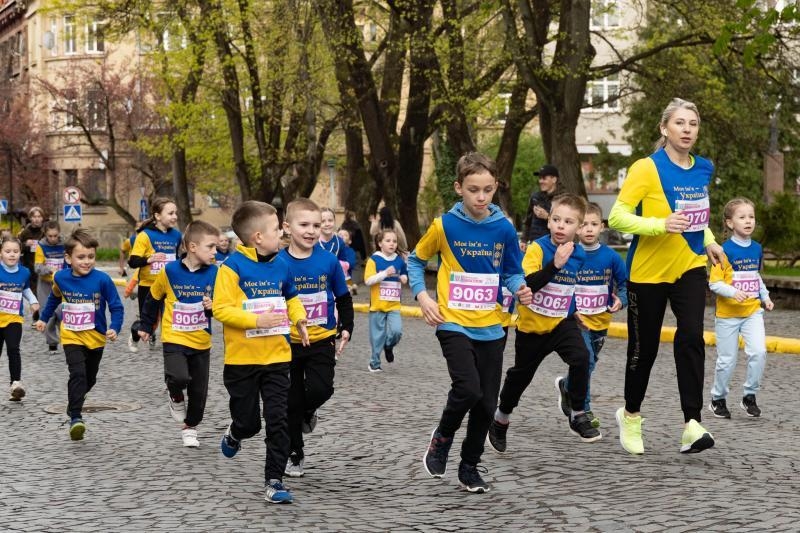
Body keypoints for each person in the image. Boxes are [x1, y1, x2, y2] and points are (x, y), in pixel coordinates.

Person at [608, 97, 726, 455]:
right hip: (647, 272)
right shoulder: (645, 168)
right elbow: (617, 217)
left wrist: (710, 241)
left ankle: (692, 423)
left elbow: (698, 217)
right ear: (664, 128)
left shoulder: (703, 168)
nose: (687, 129)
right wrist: (659, 224)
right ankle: (630, 415)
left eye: (693, 123)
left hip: (689, 265)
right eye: (680, 123)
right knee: (643, 350)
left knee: (691, 338)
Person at [409, 152, 531, 494]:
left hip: (492, 325)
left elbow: (511, 271)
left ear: (496, 188)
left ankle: (469, 466)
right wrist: (423, 297)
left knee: (487, 404)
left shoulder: (503, 228)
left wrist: (519, 287)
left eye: (488, 190)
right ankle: (442, 437)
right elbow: (416, 261)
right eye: (474, 190)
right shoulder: (443, 226)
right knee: (467, 388)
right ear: (458, 188)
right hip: (453, 321)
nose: (481, 197)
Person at [489, 193, 602, 455]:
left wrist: (574, 312)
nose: (561, 226)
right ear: (548, 221)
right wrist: (555, 264)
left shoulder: (578, 254)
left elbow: (568, 288)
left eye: (569, 222)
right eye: (556, 219)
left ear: (579, 227)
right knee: (521, 376)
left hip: (560, 323)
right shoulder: (537, 249)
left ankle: (578, 413)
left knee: (582, 358)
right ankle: (501, 418)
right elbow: (527, 285)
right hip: (532, 328)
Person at [213, 200, 309, 504]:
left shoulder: (282, 264)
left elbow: (291, 297)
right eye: (276, 229)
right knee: (250, 423)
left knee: (278, 420)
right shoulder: (231, 268)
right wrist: (256, 320)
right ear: (257, 237)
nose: (282, 233)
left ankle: (274, 480)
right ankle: (235, 432)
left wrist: (299, 319)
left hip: (278, 357)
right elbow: (221, 309)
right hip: (242, 361)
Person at [279, 198, 354, 478]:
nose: (311, 231)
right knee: (291, 400)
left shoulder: (328, 261)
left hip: (322, 338)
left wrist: (347, 326)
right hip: (287, 342)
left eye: (316, 225)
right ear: (287, 227)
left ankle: (308, 410)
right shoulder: (278, 262)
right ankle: (294, 453)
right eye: (304, 225)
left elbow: (343, 297)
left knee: (322, 389)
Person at [137, 221, 219, 447]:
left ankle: (190, 427)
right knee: (178, 377)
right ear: (192, 247)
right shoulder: (170, 271)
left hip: (201, 341)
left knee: (199, 392)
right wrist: (146, 325)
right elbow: (153, 298)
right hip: (174, 337)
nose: (215, 252)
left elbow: (222, 304)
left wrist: (212, 306)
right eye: (210, 247)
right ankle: (175, 395)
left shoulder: (216, 273)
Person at [36, 229, 124, 440]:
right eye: (81, 257)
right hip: (72, 336)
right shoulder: (60, 277)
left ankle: (74, 401)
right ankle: (76, 417)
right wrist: (43, 318)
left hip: (96, 338)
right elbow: (54, 298)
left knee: (89, 379)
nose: (87, 261)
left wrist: (115, 327)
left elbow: (116, 307)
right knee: (77, 374)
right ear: (68, 258)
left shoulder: (102, 280)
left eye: (91, 257)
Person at [556, 202, 627, 429]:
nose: (588, 229)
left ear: (602, 227)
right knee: (585, 359)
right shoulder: (568, 254)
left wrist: (621, 300)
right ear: (577, 227)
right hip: (577, 322)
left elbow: (625, 284)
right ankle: (583, 410)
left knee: (590, 363)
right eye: (584, 224)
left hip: (601, 321)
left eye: (594, 224)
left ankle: (567, 386)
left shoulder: (611, 257)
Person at [708, 198, 774, 419]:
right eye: (742, 217)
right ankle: (717, 399)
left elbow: (755, 276)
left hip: (752, 312)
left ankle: (749, 396)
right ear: (729, 223)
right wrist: (732, 292)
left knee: (759, 352)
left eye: (751, 217)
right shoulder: (723, 250)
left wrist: (765, 296)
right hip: (727, 316)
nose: (748, 221)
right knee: (727, 360)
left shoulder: (756, 248)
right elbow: (714, 283)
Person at [127, 198, 182, 353]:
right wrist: (149, 259)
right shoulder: (145, 235)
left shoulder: (177, 235)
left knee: (170, 318)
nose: (175, 216)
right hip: (148, 286)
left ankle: (172, 347)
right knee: (147, 322)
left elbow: (177, 258)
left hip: (169, 285)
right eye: (170, 213)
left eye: (176, 213)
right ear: (157, 216)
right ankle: (135, 334)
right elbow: (132, 262)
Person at [0, 236, 39, 401]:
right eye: (8, 251)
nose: (12, 254)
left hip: (14, 318)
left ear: (20, 253)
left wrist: (33, 301)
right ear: (1, 253)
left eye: (15, 251)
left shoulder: (24, 272)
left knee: (13, 349)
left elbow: (26, 289)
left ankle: (15, 384)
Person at [364, 229, 408, 372]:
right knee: (377, 337)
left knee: (396, 331)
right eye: (388, 241)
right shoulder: (374, 260)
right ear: (380, 243)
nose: (392, 244)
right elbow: (368, 280)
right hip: (377, 305)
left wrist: (404, 278)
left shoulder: (399, 260)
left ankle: (388, 346)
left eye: (394, 241)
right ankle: (374, 363)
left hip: (394, 304)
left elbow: (404, 273)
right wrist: (384, 274)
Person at [33, 221, 66, 354]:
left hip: (61, 283)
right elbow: (37, 267)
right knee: (48, 313)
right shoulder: (41, 246)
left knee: (62, 312)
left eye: (55, 236)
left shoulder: (65, 245)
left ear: (59, 233)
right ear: (45, 234)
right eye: (50, 236)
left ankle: (68, 340)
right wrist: (49, 269)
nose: (53, 239)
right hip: (45, 284)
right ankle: (52, 343)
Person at [17, 206, 45, 322]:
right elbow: (16, 248)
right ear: (30, 218)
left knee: (43, 292)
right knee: (34, 292)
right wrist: (25, 244)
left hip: (43, 267)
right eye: (34, 217)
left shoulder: (45, 232)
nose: (37, 219)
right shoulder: (25, 233)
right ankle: (37, 315)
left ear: (42, 218)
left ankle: (41, 315)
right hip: (29, 267)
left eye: (39, 216)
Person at [522, 165, 559, 244]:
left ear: (554, 179)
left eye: (544, 178)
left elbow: (566, 224)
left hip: (553, 245)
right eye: (540, 178)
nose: (540, 181)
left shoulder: (563, 199)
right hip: (534, 244)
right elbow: (528, 221)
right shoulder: (535, 197)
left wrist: (547, 217)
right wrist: (523, 240)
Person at [337, 228, 359, 295]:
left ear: (349, 241)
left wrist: (339, 263)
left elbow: (351, 264)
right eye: (340, 234)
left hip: (346, 277)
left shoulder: (350, 251)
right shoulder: (334, 249)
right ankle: (352, 287)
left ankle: (351, 287)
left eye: (345, 235)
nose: (342, 236)